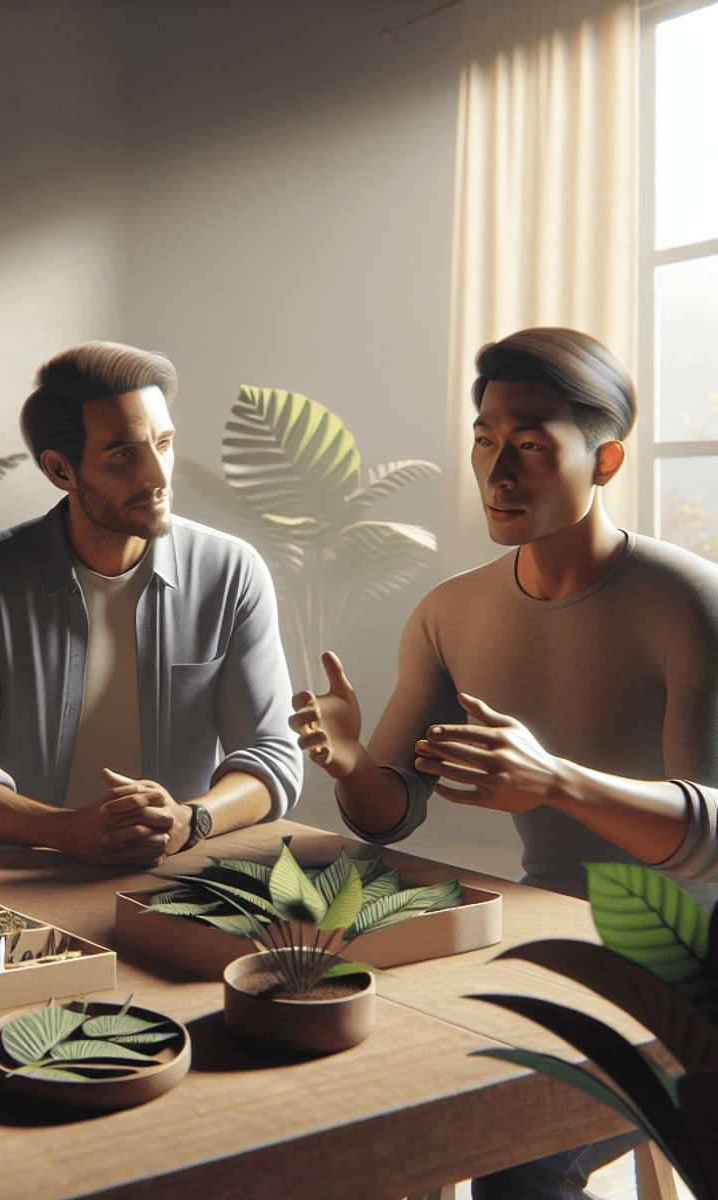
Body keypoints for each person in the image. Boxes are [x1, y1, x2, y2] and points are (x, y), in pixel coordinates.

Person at [290, 327, 718, 1199]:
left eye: (529, 444)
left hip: (690, 963)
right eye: (485, 439)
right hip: (545, 938)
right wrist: (348, 768)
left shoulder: (689, 604)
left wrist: (553, 779)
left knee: (510, 1143)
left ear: (606, 461)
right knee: (357, 1087)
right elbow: (393, 810)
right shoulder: (450, 614)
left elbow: (710, 834)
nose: (497, 472)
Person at [0, 341, 302, 862]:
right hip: (19, 883)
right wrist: (68, 831)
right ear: (60, 470)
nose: (159, 477)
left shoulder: (231, 573)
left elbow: (273, 755)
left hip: (173, 882)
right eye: (124, 455)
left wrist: (191, 819)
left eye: (163, 443)